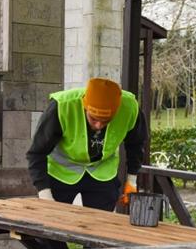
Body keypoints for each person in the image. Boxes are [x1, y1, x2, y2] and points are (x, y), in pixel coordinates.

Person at [26, 77, 148, 210]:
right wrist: (44, 193)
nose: (99, 125)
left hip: (102, 171)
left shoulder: (129, 108)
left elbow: (136, 144)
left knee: (100, 223)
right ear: (84, 106)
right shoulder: (62, 106)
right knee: (52, 221)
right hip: (61, 171)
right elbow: (36, 153)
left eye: (106, 120)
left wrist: (131, 181)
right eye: (94, 118)